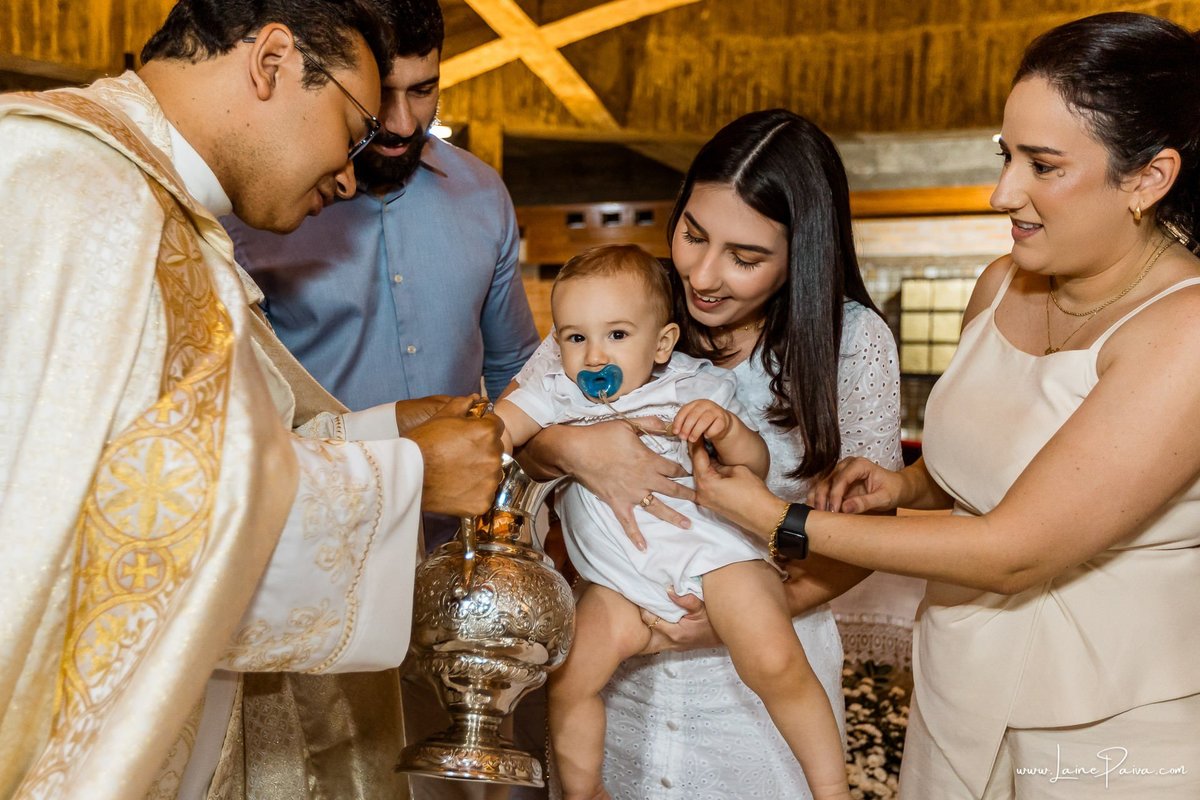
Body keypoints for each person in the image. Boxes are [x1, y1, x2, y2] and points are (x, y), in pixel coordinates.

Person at [0, 1, 504, 798]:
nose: (350, 172)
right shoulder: (64, 185)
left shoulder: (161, 208)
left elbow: (191, 448)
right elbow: (78, 516)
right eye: (354, 124)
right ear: (272, 62)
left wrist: (378, 433)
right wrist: (404, 481)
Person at [690, 13, 1200, 799]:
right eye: (1006, 155)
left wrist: (779, 520)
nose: (1005, 192)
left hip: (1108, 723)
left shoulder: (1185, 331)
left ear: (1148, 178)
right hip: (958, 679)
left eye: (1043, 165)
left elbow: (1016, 547)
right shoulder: (1002, 286)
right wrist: (904, 487)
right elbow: (996, 471)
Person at [514, 110, 902, 798]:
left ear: (802, 254)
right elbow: (527, 427)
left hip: (759, 695)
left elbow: (865, 535)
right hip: (625, 681)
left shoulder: (851, 341)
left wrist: (725, 623)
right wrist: (580, 449)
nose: (703, 273)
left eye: (745, 258)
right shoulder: (623, 299)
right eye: (693, 233)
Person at [497, 244, 850, 800]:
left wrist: (728, 430)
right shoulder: (555, 393)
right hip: (618, 582)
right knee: (570, 676)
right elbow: (497, 435)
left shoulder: (688, 385)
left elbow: (753, 467)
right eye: (574, 337)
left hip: (714, 557)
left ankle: (830, 788)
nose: (593, 356)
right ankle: (583, 790)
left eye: (616, 335)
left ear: (661, 342)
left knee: (775, 659)